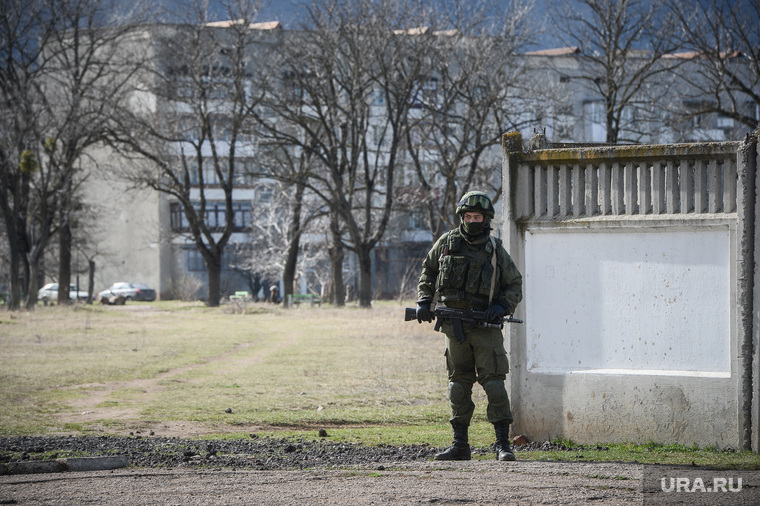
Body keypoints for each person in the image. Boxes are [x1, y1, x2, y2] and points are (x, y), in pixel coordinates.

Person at [416, 190, 523, 461]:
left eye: (478, 216)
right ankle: (460, 446)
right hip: (454, 327)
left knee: (495, 384)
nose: (473, 220)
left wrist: (501, 307)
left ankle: (502, 445)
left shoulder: (496, 250)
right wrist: (424, 301)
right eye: (468, 216)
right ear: (461, 217)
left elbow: (514, 285)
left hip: (485, 327)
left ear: (486, 219)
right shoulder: (447, 243)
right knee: (458, 386)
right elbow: (428, 271)